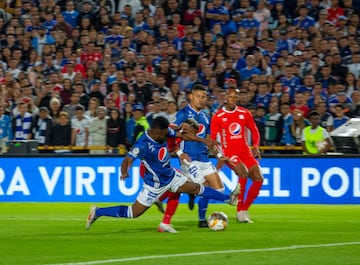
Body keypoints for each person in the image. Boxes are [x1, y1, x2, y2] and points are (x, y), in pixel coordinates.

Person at [85, 116, 240, 231]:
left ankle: (228, 199)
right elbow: (127, 160)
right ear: (156, 132)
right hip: (154, 184)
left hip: (171, 175)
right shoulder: (143, 144)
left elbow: (182, 135)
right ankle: (98, 211)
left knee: (195, 188)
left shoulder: (163, 132)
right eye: (164, 133)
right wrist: (124, 172)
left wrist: (203, 141)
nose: (167, 135)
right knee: (133, 213)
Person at [173, 84, 226, 228]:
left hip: (204, 158)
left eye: (204, 97)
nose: (201, 99)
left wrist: (219, 154)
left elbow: (209, 141)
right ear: (191, 96)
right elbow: (170, 133)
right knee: (205, 187)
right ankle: (202, 219)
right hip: (190, 159)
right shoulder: (182, 114)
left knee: (219, 190)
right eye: (198, 96)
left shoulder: (205, 116)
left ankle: (191, 192)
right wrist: (179, 152)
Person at [211, 87, 263, 223]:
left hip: (245, 151)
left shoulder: (244, 113)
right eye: (231, 97)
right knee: (243, 172)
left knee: (259, 178)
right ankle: (239, 211)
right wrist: (219, 155)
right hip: (229, 153)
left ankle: (244, 209)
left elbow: (255, 130)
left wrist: (255, 146)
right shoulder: (218, 116)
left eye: (236, 97)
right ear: (226, 98)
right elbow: (213, 139)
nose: (233, 100)